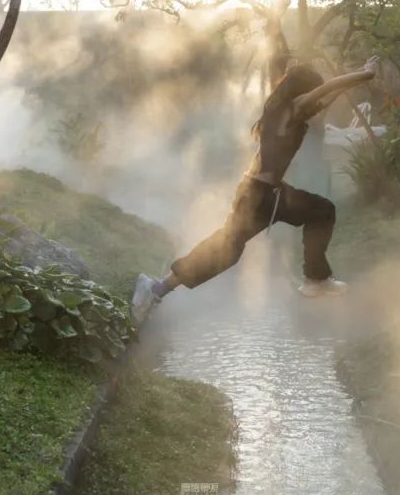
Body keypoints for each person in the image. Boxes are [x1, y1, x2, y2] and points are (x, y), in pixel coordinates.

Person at [131, 57, 381, 323]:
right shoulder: (290, 109)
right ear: (302, 90)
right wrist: (363, 74)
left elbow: (323, 98)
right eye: (311, 91)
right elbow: (325, 90)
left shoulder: (284, 110)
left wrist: (346, 85)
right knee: (227, 250)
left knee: (322, 211)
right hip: (258, 196)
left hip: (269, 194)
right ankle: (155, 289)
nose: (315, 101)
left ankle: (315, 279)